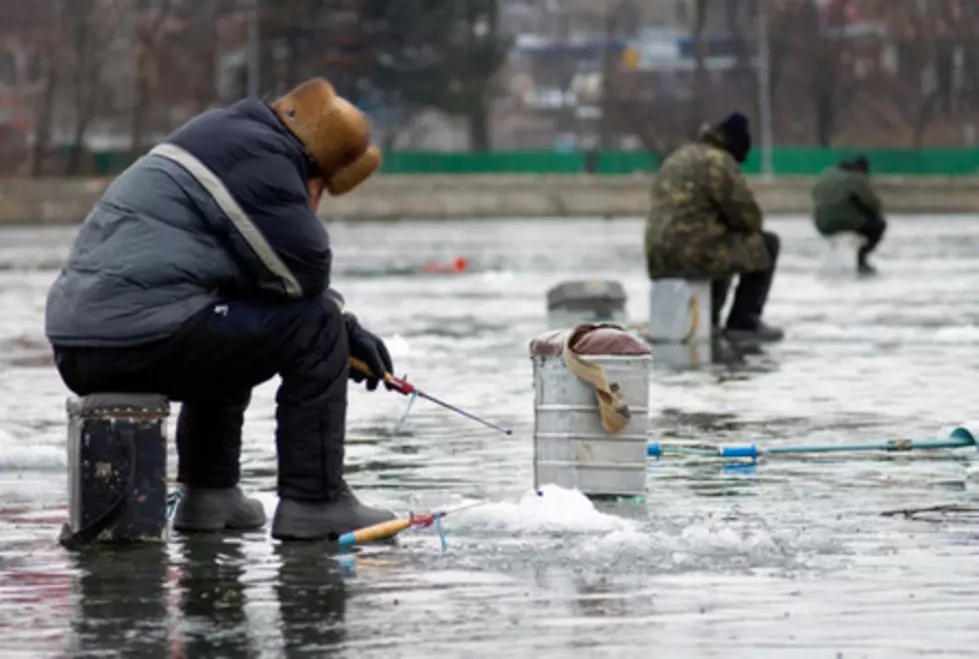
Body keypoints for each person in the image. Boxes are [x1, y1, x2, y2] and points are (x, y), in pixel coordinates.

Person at [44, 77, 399, 541]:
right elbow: (306, 268)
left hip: (82, 346)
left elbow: (260, 284)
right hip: (141, 335)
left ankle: (210, 494)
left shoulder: (223, 136)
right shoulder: (264, 158)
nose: (314, 204)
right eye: (320, 192)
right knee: (316, 327)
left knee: (231, 321)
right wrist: (344, 330)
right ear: (315, 170)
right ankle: (315, 501)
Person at [644, 111, 783, 342]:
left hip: (658, 258)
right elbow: (749, 219)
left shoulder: (678, 157)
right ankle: (744, 322)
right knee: (766, 243)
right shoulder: (719, 162)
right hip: (694, 254)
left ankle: (710, 321)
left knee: (721, 245)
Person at [811, 154, 886, 275]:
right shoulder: (857, 178)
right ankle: (862, 259)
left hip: (821, 224)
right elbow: (873, 205)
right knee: (879, 225)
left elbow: (814, 194)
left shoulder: (828, 174)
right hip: (845, 222)